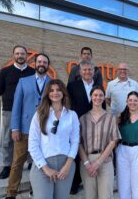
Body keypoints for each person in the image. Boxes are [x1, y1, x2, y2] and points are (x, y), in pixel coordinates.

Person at [6, 53, 50, 199]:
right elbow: (16, 106)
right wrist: (15, 128)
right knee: (17, 162)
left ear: (48, 65)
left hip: (43, 130)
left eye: (44, 62)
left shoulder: (52, 83)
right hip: (24, 129)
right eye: (39, 62)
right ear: (35, 64)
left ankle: (35, 190)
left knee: (38, 162)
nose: (42, 64)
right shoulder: (23, 81)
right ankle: (11, 192)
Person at [28, 79, 80, 199]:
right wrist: (46, 168)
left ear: (63, 92)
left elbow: (75, 141)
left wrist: (68, 165)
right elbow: (33, 144)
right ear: (47, 93)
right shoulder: (39, 114)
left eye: (58, 90)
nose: (55, 93)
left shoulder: (72, 115)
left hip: (65, 165)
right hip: (43, 164)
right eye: (51, 90)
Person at [0, 45, 34, 179]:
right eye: (17, 54)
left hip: (28, 111)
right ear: (13, 55)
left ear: (26, 55)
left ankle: (31, 161)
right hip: (10, 110)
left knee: (29, 137)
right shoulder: (5, 72)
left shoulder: (32, 72)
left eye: (22, 54)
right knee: (8, 139)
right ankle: (7, 165)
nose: (20, 56)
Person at [67, 60, 105, 194]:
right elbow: (68, 106)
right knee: (77, 152)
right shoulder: (72, 86)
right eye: (85, 70)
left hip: (95, 125)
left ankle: (92, 175)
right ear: (80, 71)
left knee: (91, 151)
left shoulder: (99, 86)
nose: (88, 72)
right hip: (77, 124)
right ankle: (75, 183)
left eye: (90, 70)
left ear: (94, 72)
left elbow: (103, 106)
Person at [79, 85, 121, 199]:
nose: (98, 97)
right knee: (90, 196)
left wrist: (98, 162)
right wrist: (87, 164)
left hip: (106, 161)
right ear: (91, 97)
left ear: (104, 98)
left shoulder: (111, 118)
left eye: (101, 95)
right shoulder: (82, 119)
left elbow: (113, 141)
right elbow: (78, 143)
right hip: (87, 161)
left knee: (106, 196)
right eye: (95, 95)